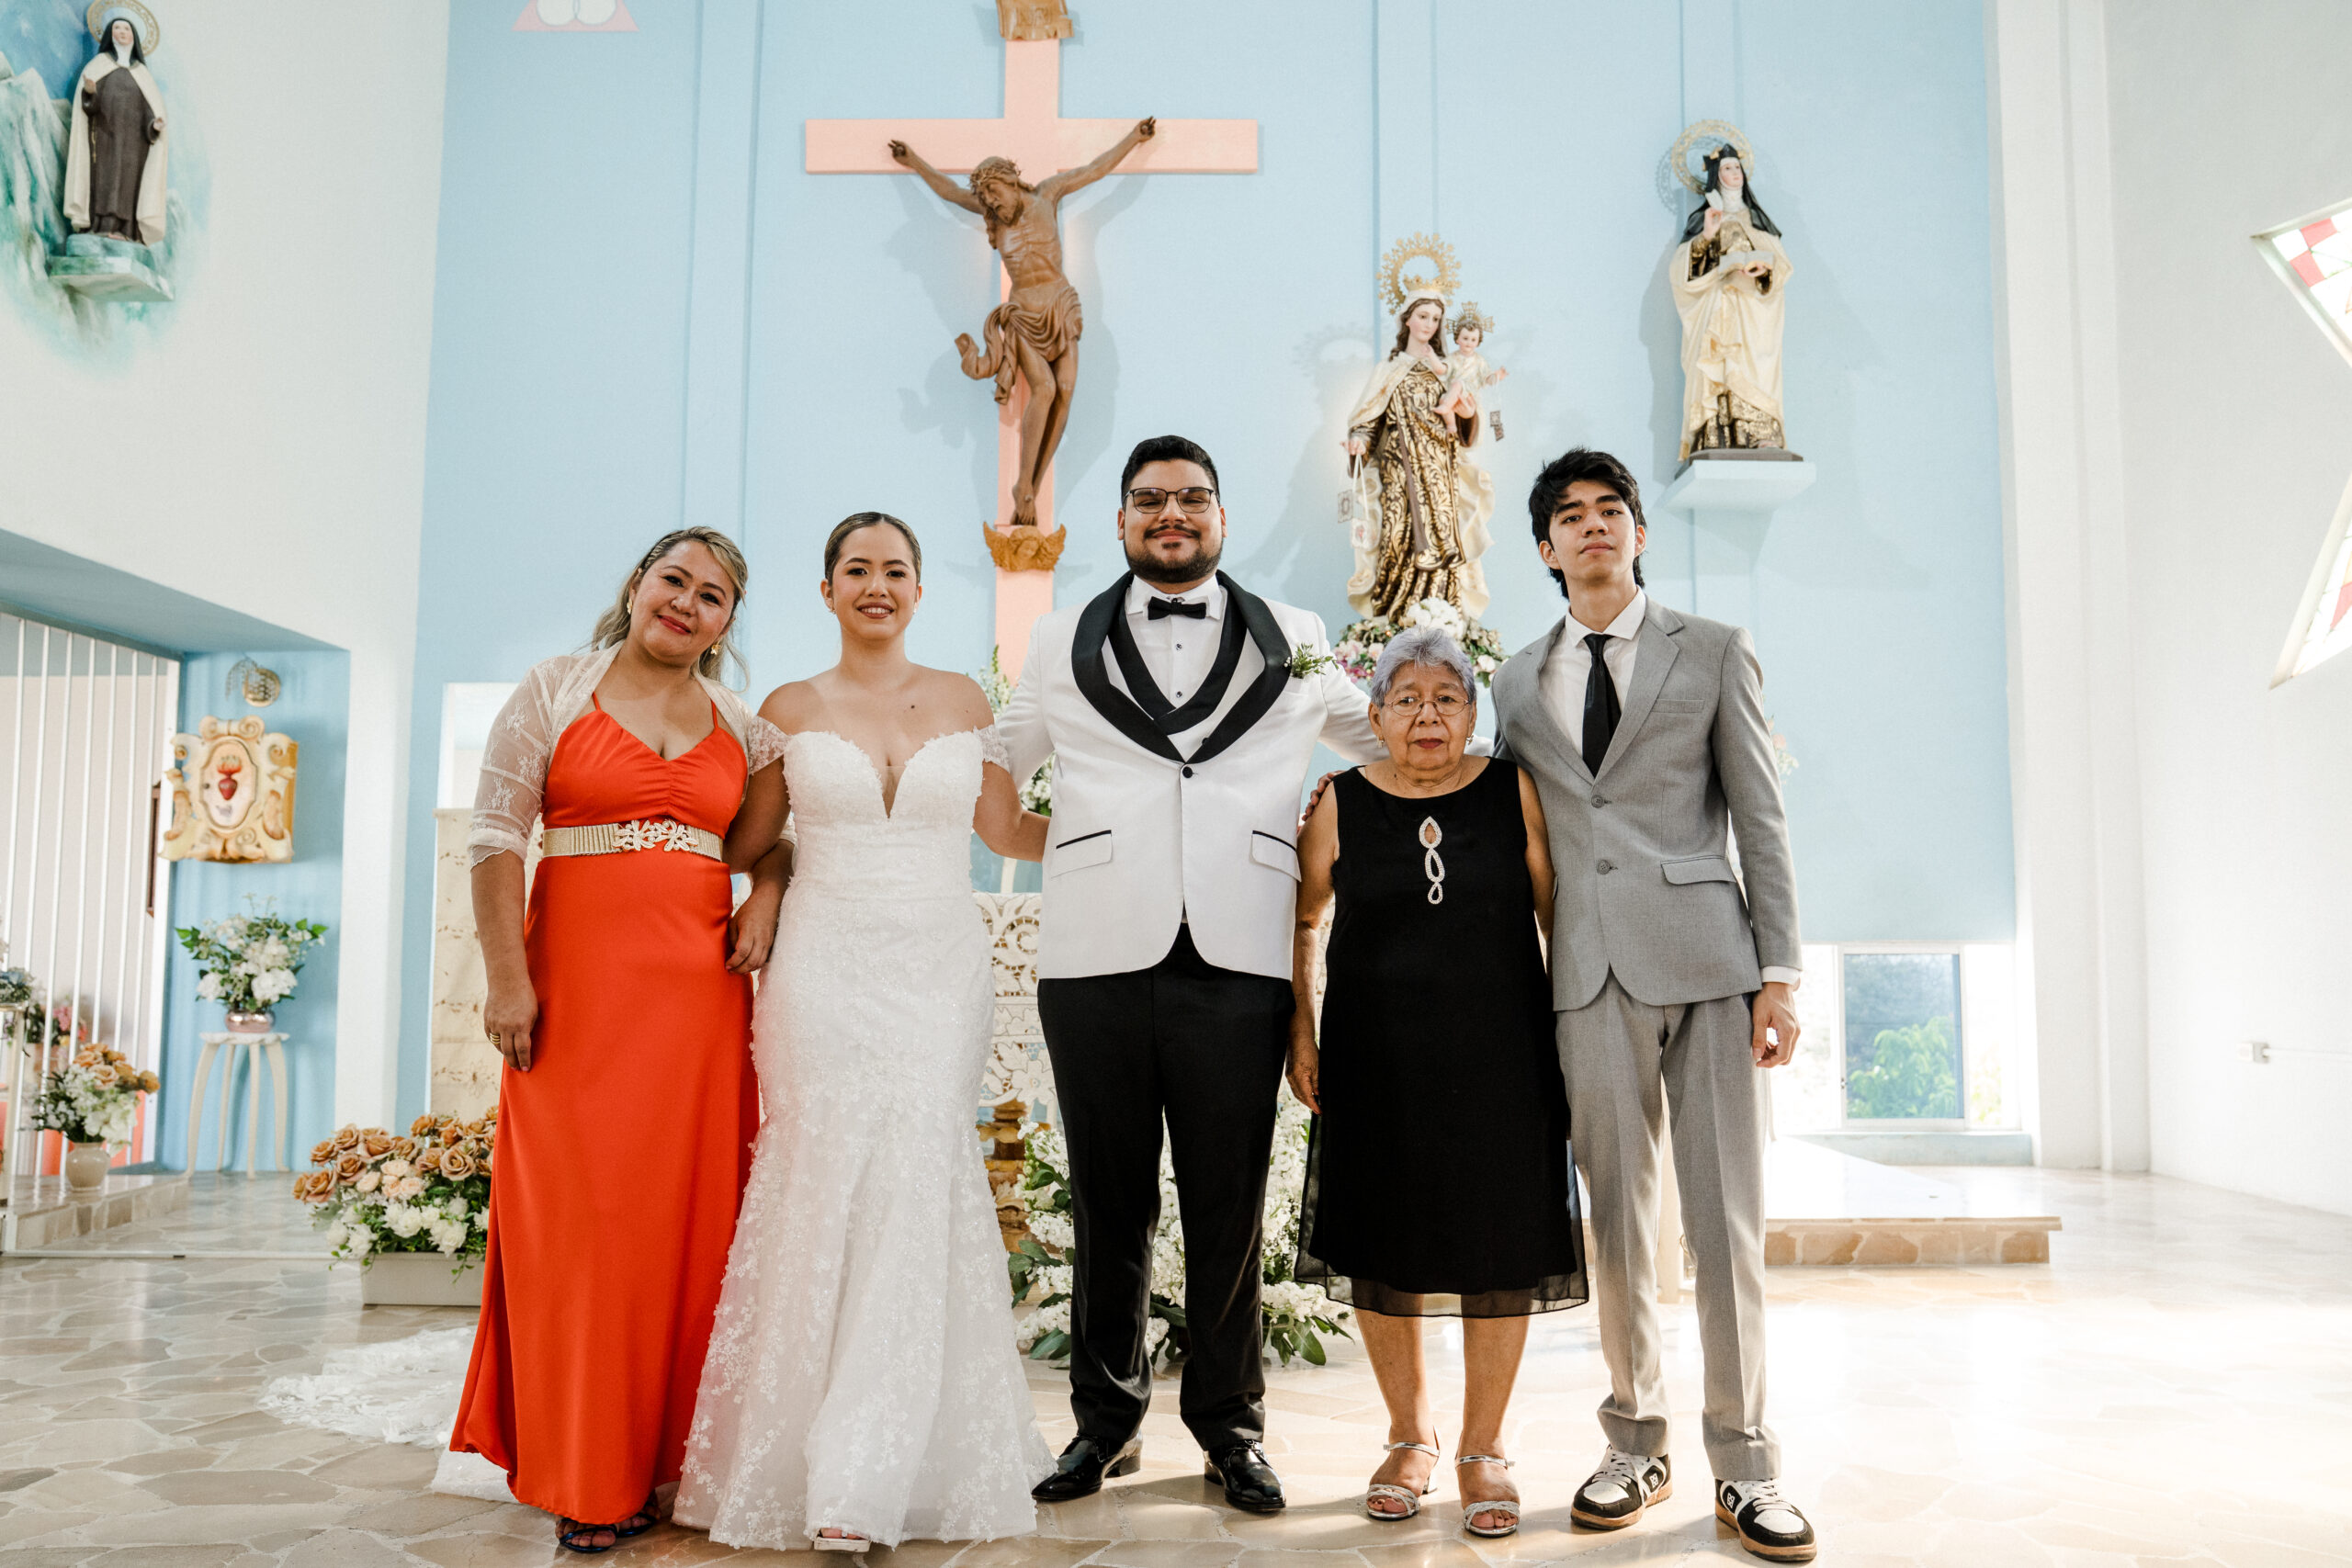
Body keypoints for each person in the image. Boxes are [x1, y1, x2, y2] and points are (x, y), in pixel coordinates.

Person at [996, 434, 1386, 1513]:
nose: (1171, 514)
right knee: (1107, 1203)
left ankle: (1230, 1430)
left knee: (1229, 1206)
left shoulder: (1296, 637)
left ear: (1221, 518)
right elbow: (994, 758)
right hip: (1093, 953)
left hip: (1242, 950)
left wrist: (1432, 764)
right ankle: (1102, 1425)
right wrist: (1055, 838)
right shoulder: (1059, 637)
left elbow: (1388, 741)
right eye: (1149, 500)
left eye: (1192, 499)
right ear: (1122, 520)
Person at [673, 513, 1056, 1551]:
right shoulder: (787, 709)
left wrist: (1123, 824)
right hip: (822, 971)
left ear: (920, 591)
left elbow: (1004, 830)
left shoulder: (966, 700)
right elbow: (750, 840)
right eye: (856, 569)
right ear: (828, 589)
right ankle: (807, 1458)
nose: (876, 584)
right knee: (819, 1172)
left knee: (918, 1176)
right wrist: (768, 887)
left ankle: (876, 1462)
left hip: (936, 970)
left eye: (895, 569)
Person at [1489, 448, 1815, 1562]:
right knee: (1617, 1229)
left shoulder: (1713, 649)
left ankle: (1747, 1463)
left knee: (1724, 1224)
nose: (1592, 526)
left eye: (1610, 511)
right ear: (1545, 547)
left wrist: (1780, 973)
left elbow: (1760, 818)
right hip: (1584, 974)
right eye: (1569, 515)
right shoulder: (1513, 681)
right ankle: (1634, 1442)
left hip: (1711, 964)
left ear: (1637, 532)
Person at [453, 527, 789, 1556]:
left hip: (695, 1009)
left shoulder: (746, 726)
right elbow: (494, 839)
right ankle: (586, 1469)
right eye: (673, 580)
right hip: (575, 997)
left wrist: (765, 894)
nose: (686, 602)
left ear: (727, 622)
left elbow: (768, 842)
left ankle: (667, 1461)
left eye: (712, 595)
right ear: (638, 585)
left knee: (682, 1231)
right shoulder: (554, 688)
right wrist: (508, 979)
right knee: (580, 1230)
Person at [1288, 627, 1584, 1539]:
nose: (1426, 716)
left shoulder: (1513, 791)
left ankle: (1483, 1447)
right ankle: (1409, 1435)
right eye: (1406, 699)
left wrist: (1575, 1038)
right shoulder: (1339, 801)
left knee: (1502, 1246)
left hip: (1503, 1059)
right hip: (1374, 1058)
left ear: (1473, 712)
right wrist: (1302, 1029)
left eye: (1446, 698)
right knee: (1384, 1241)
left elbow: (1559, 919)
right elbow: (1303, 919)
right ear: (1374, 715)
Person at [1340, 289, 1498, 622]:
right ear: (1407, 319)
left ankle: (1443, 620)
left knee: (1442, 540)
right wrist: (1358, 442)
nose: (1429, 324)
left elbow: (1467, 427)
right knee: (1399, 538)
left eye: (1436, 319)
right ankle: (1395, 621)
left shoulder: (1445, 370)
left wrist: (1468, 415)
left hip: (1441, 472)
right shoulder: (1388, 370)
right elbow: (1368, 421)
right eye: (1423, 316)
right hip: (1399, 472)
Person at [1672, 146, 1792, 459]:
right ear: (1716, 176)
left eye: (1737, 168)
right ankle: (1716, 435)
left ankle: (1761, 434)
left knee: (1754, 368)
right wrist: (1706, 237)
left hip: (1752, 308)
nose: (1734, 173)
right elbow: (1683, 270)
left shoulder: (1757, 219)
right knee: (1719, 365)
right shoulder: (1705, 218)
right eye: (1727, 168)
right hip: (1719, 304)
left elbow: (1781, 264)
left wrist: (1763, 267)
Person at [65, 6, 169, 246]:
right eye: (117, 28)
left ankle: (127, 229)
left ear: (134, 35)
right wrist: (90, 92)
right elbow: (87, 107)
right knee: (104, 179)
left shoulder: (142, 75)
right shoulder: (98, 66)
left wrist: (155, 126)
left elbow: (150, 111)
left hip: (135, 145)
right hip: (104, 137)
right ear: (109, 35)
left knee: (129, 184)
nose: (121, 32)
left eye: (126, 29)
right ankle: (101, 225)